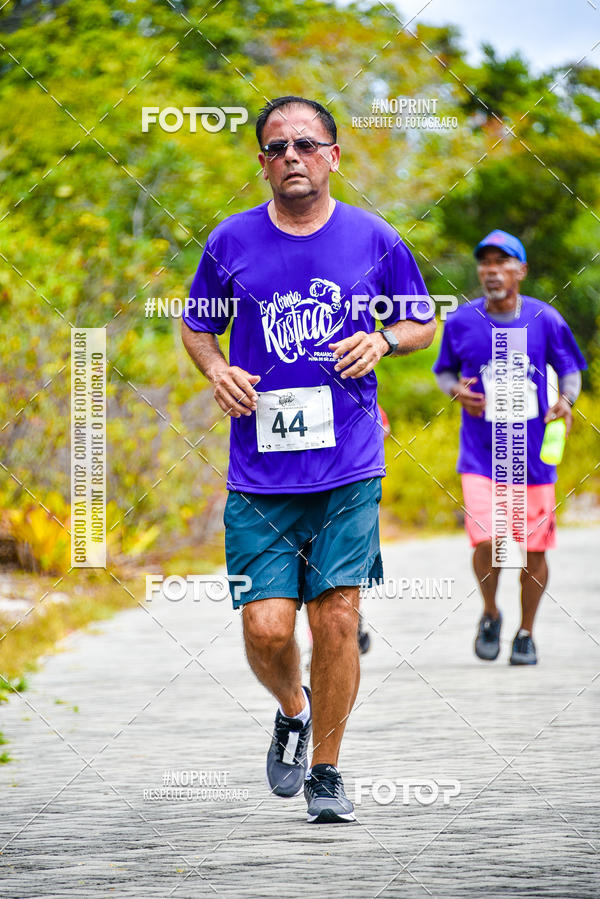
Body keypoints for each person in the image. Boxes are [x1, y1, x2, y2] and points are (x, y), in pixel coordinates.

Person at [181, 96, 435, 822]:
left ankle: (327, 768)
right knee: (265, 626)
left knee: (336, 616)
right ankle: (292, 710)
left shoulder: (374, 236)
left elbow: (422, 320)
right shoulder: (231, 241)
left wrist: (385, 340)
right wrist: (215, 369)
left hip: (351, 464)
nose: (291, 155)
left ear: (332, 154)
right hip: (260, 471)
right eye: (275, 146)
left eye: (305, 143)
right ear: (261, 163)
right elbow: (198, 325)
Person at [433, 230, 586, 665]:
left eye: (503, 262)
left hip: (533, 459)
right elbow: (444, 372)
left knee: (533, 550)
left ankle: (525, 633)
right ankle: (490, 612)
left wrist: (565, 401)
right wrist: (456, 393)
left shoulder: (545, 319)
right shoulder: (462, 321)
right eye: (485, 263)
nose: (492, 271)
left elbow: (570, 370)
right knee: (487, 539)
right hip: (480, 456)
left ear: (521, 270)